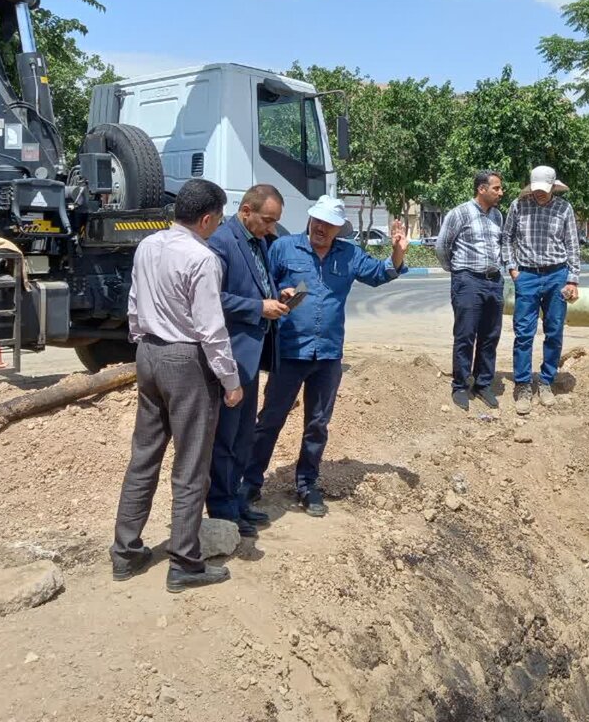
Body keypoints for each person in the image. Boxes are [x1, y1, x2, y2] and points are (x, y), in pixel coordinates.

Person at [111, 178, 242, 592]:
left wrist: (144, 341)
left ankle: (125, 552)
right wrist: (230, 379)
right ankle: (185, 561)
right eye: (218, 220)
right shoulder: (202, 259)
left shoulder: (148, 246)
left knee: (144, 456)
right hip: (186, 360)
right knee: (191, 467)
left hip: (148, 354)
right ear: (206, 219)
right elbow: (211, 329)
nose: (219, 227)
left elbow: (134, 303)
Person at [243, 195, 408, 518]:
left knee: (317, 424)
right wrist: (277, 294)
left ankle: (307, 484)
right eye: (317, 221)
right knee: (270, 419)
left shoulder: (349, 255)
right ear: (310, 220)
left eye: (328, 225)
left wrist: (398, 251)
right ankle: (250, 481)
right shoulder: (284, 248)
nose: (321, 228)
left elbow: (379, 274)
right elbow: (265, 283)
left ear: (338, 229)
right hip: (290, 350)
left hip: (328, 354)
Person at [205, 184, 291, 538]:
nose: (271, 229)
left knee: (242, 435)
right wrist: (259, 307)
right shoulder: (221, 243)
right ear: (245, 212)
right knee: (225, 437)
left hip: (251, 356)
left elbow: (254, 285)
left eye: (274, 223)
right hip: (231, 355)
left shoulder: (257, 242)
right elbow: (212, 298)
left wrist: (276, 295)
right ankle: (222, 509)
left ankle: (237, 500)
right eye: (267, 221)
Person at [502, 165, 581, 416]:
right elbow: (506, 238)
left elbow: (572, 245)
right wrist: (513, 269)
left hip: (557, 275)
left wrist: (573, 280)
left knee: (554, 330)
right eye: (536, 190)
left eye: (544, 191)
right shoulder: (518, 205)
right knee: (524, 332)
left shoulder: (564, 208)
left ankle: (546, 381)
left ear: (553, 187)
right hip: (527, 275)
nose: (540, 194)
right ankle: (523, 385)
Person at [435, 170, 506, 413]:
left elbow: (501, 245)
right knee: (465, 335)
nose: (500, 193)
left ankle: (483, 383)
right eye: (496, 188)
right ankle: (460, 385)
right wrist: (456, 272)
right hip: (468, 281)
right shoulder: (459, 213)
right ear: (481, 189)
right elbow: (442, 246)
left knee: (490, 335)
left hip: (494, 281)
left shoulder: (497, 216)